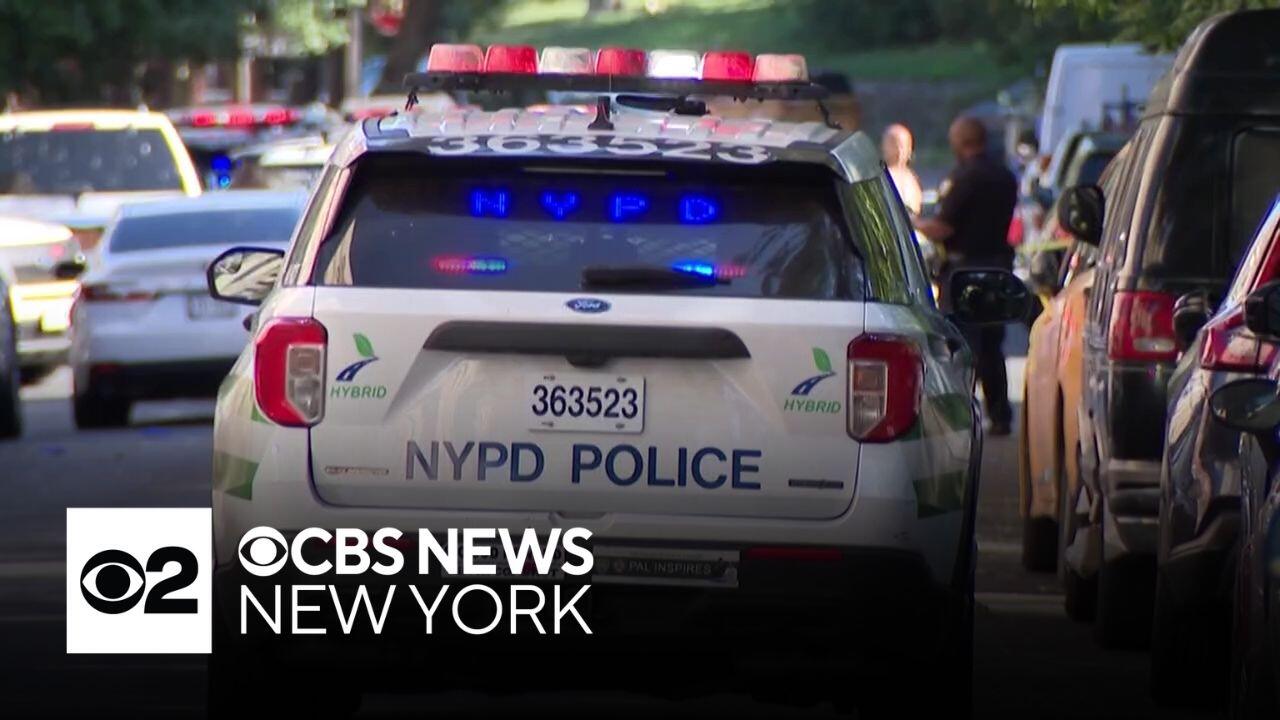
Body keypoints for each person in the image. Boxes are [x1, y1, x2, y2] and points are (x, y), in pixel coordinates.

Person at [913, 116, 1018, 435]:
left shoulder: (964, 177)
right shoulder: (1005, 176)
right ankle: (1000, 415)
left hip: (965, 272)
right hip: (998, 269)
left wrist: (915, 223)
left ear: (961, 141)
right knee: (992, 346)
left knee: (961, 347)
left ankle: (960, 415)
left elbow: (944, 227)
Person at [882, 123, 923, 214]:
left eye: (904, 145)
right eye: (893, 144)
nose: (899, 150)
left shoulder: (912, 178)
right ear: (883, 147)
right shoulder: (882, 178)